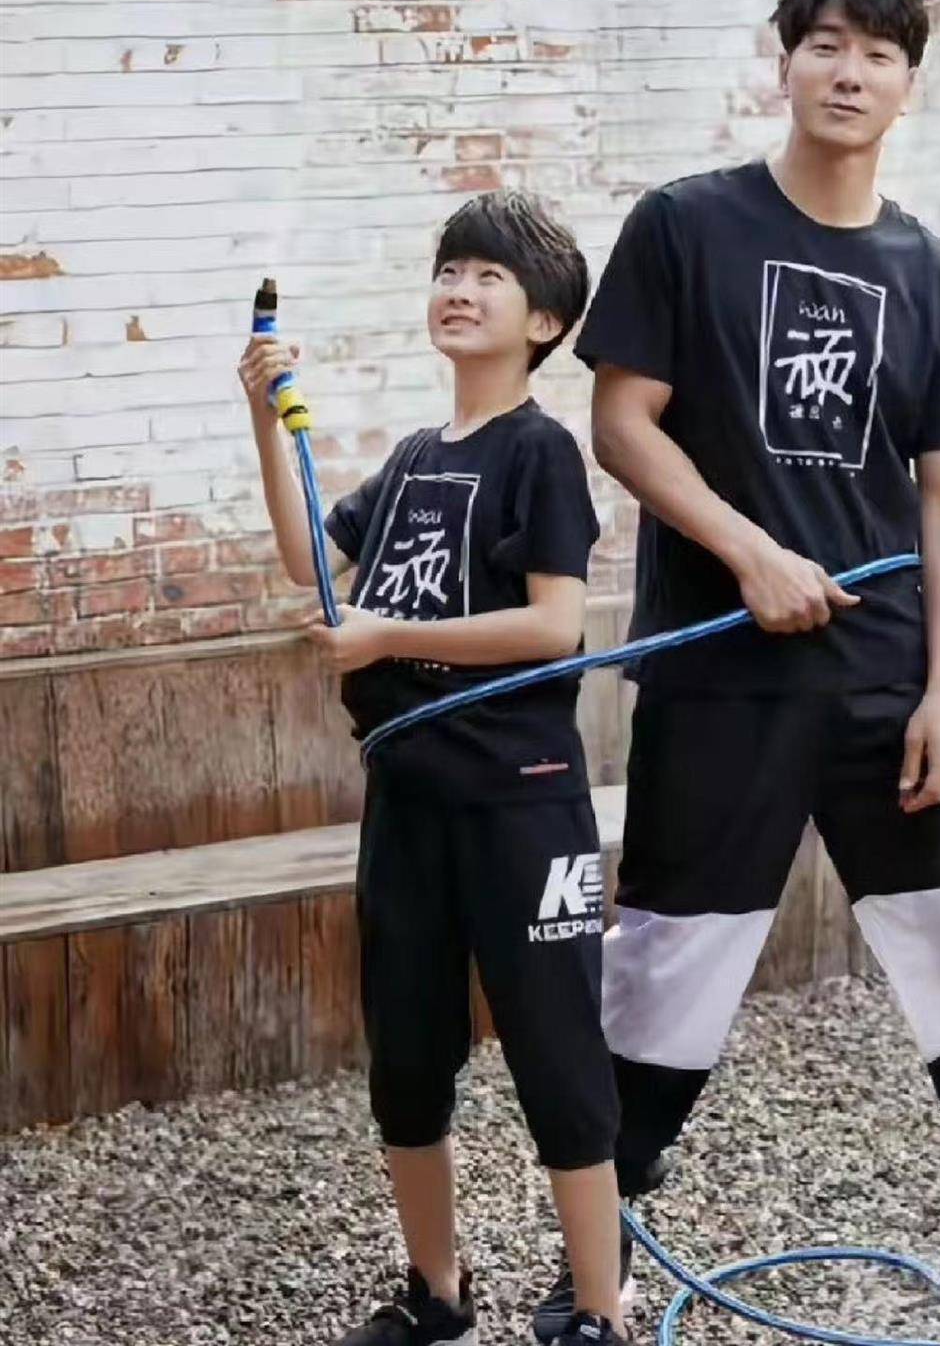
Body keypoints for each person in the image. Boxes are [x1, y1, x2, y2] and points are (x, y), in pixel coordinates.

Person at [532, 0, 940, 1346]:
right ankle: (593, 1276)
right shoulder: (687, 225)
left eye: (878, 54)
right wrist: (751, 552)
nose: (848, 72)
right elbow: (624, 424)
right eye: (824, 44)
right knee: (665, 968)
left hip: (889, 680)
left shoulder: (931, 274)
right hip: (721, 675)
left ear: (907, 85)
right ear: (786, 62)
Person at [240, 191, 629, 1346]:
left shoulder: (541, 452)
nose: (459, 290)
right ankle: (437, 1293)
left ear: (545, 321)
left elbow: (556, 625)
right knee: (407, 1059)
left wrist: (386, 636)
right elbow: (314, 565)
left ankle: (599, 1311)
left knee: (559, 1057)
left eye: (489, 277)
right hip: (405, 800)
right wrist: (263, 414)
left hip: (522, 805)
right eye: (449, 271)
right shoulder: (415, 458)